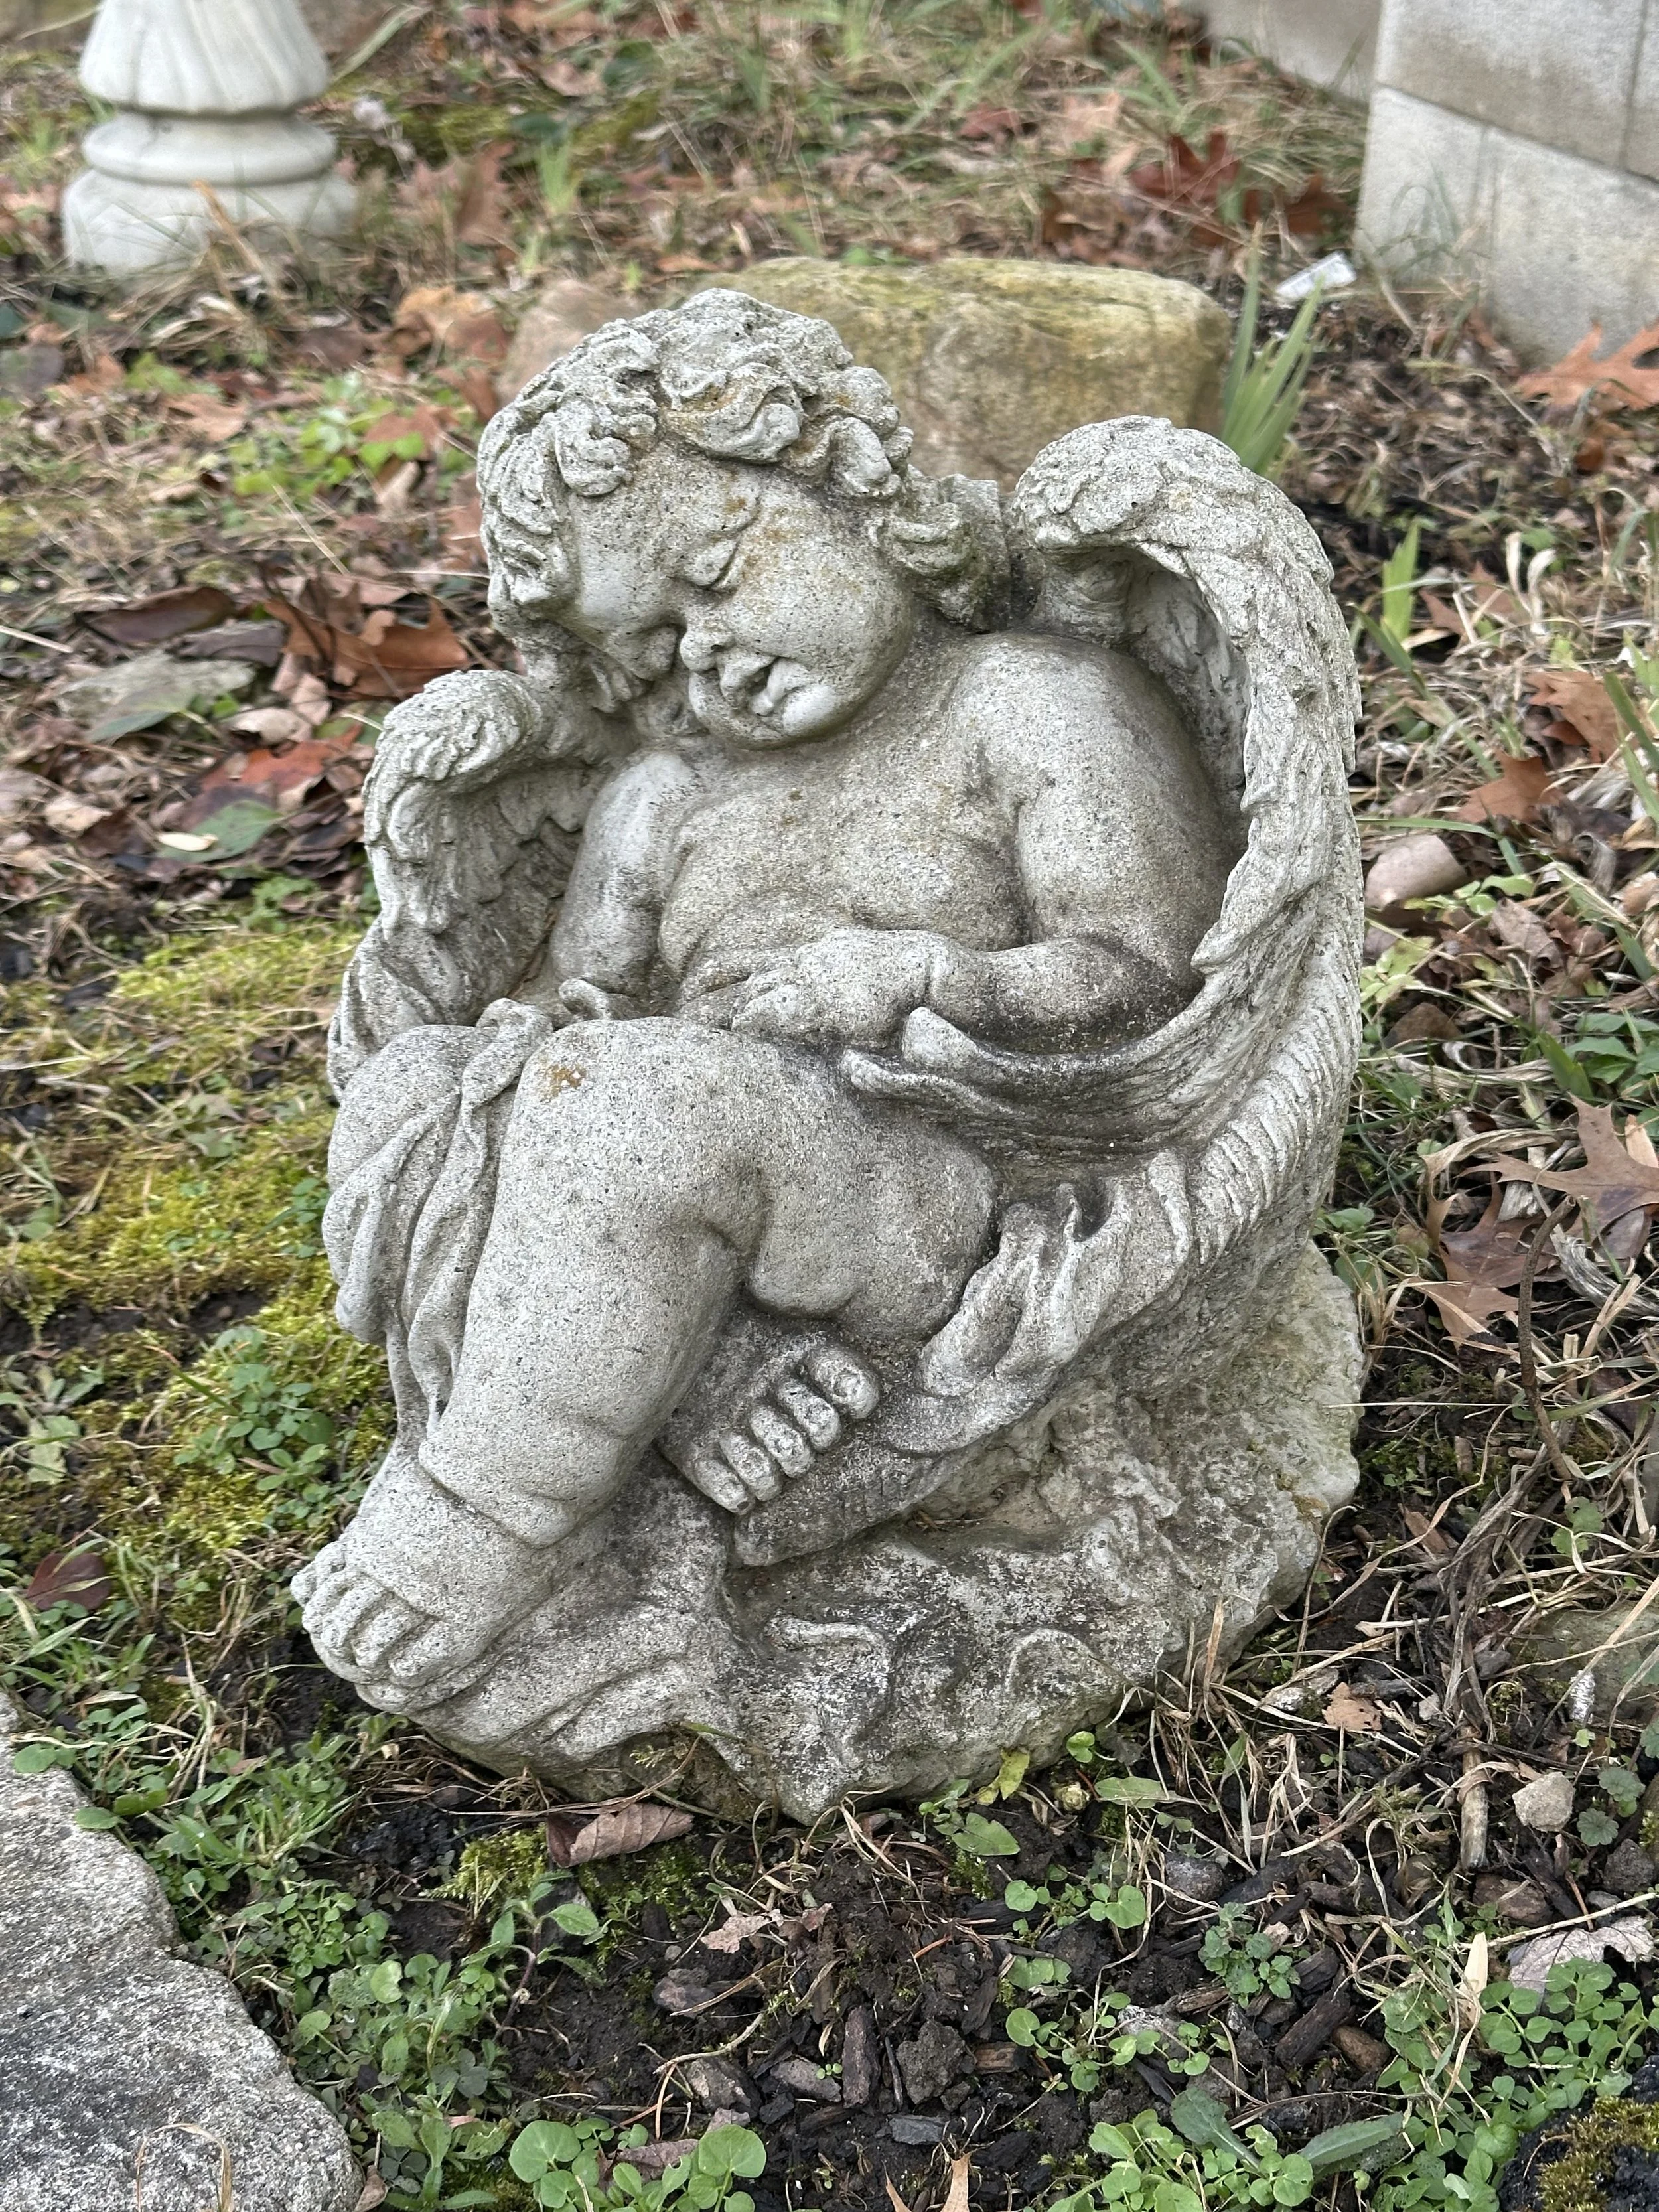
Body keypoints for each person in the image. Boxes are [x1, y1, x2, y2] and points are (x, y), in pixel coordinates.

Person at [295, 293, 1238, 1705]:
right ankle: (698, 1370)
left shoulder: (1029, 702)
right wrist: (547, 1031)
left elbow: (1148, 976)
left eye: (717, 574)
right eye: (655, 646)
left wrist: (921, 973)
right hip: (699, 1159)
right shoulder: (664, 797)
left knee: (646, 1117)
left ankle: (489, 1512)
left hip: (930, 1178)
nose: (706, 654)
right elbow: (571, 999)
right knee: (420, 1087)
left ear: (848, 490)